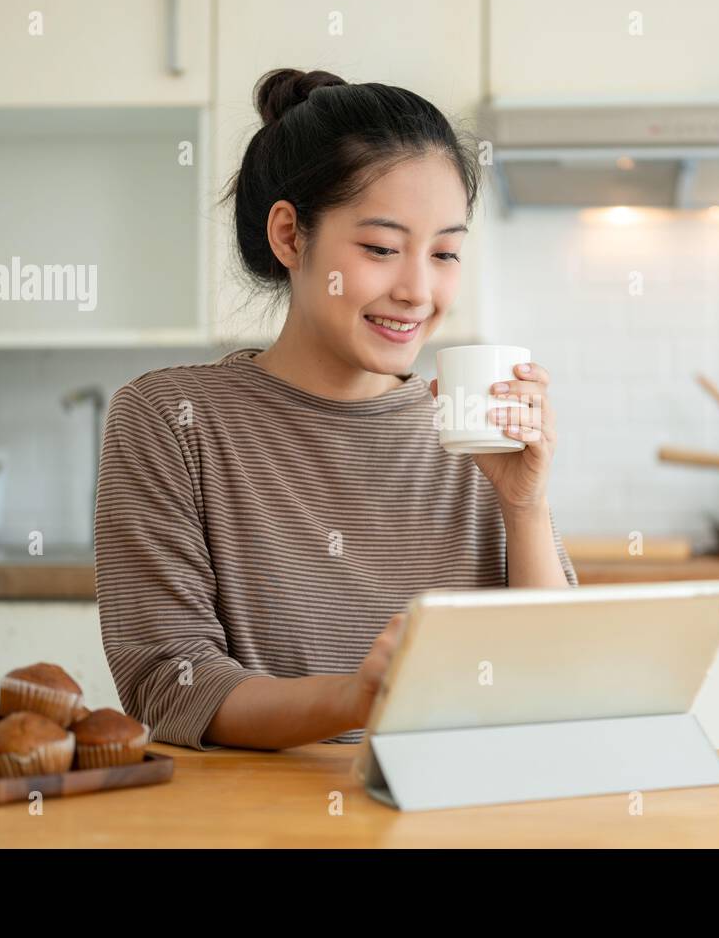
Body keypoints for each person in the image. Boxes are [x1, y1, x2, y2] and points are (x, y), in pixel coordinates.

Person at [92, 68, 578, 752]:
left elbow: (556, 688)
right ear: (290, 237)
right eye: (381, 249)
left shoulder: (472, 430)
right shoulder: (170, 419)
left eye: (445, 252)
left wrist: (525, 507)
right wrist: (355, 699)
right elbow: (170, 684)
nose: (417, 289)